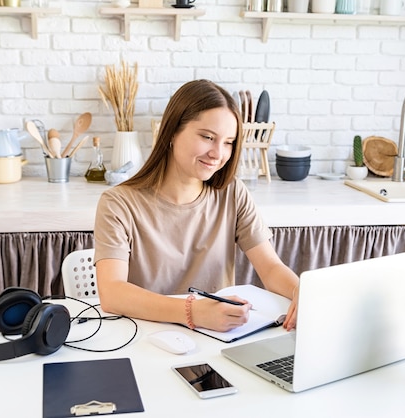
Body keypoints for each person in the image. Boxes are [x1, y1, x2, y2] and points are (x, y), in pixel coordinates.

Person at [94, 79, 300, 333]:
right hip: (144, 338)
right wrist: (192, 312)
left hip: (217, 341)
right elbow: (112, 293)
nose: (218, 153)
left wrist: (301, 291)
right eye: (207, 137)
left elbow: (270, 267)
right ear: (171, 132)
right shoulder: (118, 204)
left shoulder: (232, 193)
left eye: (228, 142)